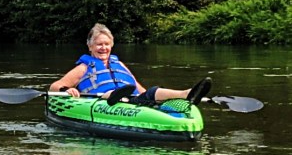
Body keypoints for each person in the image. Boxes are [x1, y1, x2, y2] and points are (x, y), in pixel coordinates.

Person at [49, 23, 212, 105]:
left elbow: (138, 88)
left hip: (131, 98)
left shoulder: (118, 64)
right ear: (90, 46)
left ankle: (187, 93)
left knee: (153, 91)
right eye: (99, 44)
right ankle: (116, 96)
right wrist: (67, 90)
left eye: (106, 44)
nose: (103, 48)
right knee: (112, 93)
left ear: (111, 45)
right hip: (102, 101)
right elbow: (55, 86)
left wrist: (150, 96)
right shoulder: (83, 68)